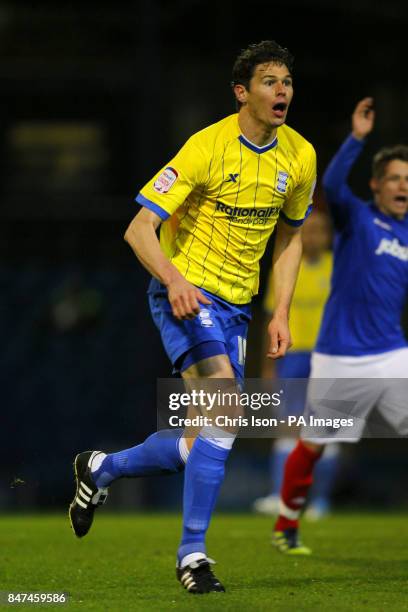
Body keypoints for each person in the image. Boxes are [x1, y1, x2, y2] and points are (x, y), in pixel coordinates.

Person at [69, 40, 317, 593]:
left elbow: (291, 239)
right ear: (242, 92)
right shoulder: (205, 148)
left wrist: (279, 313)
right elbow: (139, 229)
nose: (282, 91)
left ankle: (100, 468)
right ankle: (193, 556)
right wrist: (175, 280)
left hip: (237, 307)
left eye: (287, 82)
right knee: (227, 409)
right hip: (188, 293)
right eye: (270, 81)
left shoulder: (299, 156)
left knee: (203, 437)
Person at [272, 97, 408, 554]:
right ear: (376, 185)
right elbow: (330, 183)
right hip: (339, 358)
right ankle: (286, 523)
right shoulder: (356, 218)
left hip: (392, 355)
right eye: (394, 178)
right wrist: (356, 139)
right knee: (311, 445)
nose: (402, 185)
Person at [253, 210, 340, 520]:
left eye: (321, 230)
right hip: (292, 357)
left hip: (329, 358)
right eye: (310, 230)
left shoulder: (339, 269)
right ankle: (281, 497)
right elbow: (270, 318)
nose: (315, 236)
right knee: (288, 428)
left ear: (328, 235)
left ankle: (320, 502)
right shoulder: (285, 269)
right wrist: (267, 368)